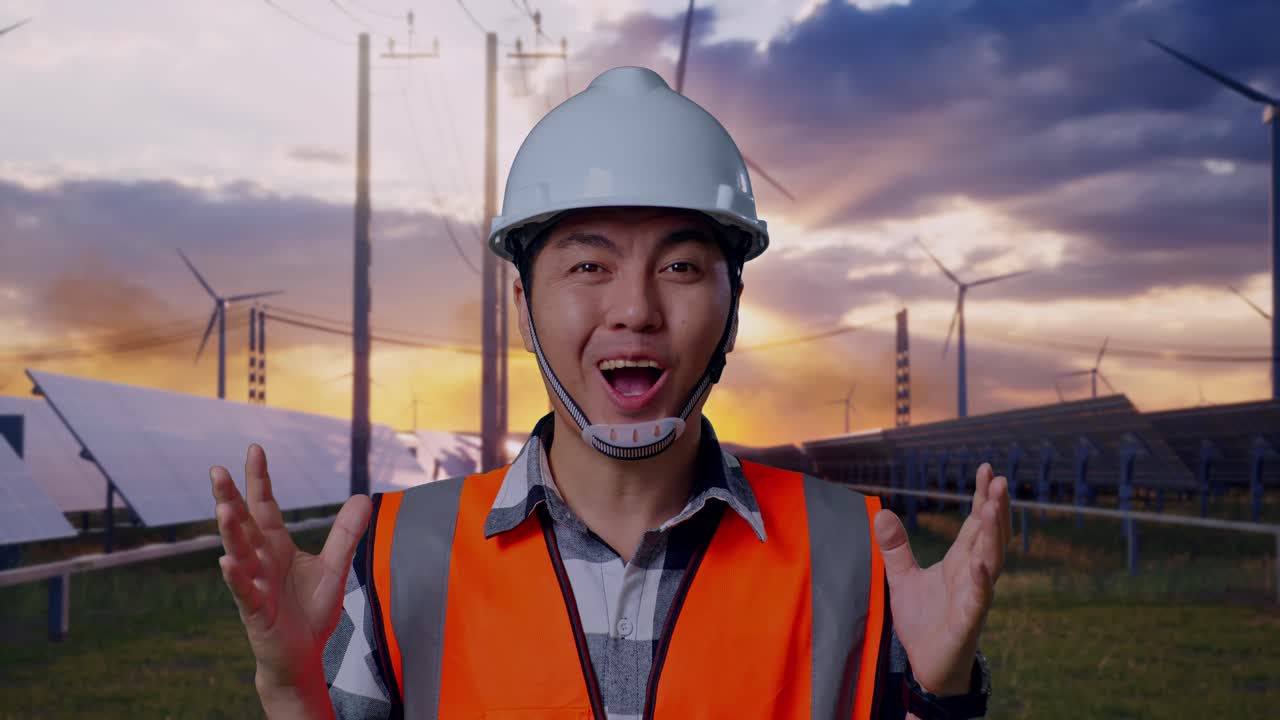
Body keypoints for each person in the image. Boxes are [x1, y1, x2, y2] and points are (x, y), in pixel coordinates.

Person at [210, 66, 1010, 719]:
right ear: (523, 307)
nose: (636, 308)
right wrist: (292, 689)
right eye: (589, 266)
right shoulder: (390, 559)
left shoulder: (860, 557)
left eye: (681, 266)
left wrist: (941, 698)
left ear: (735, 304)